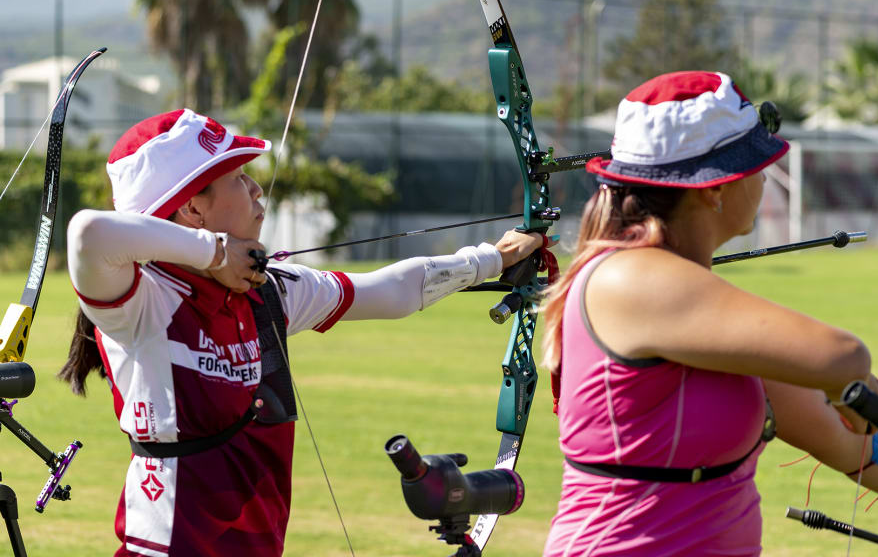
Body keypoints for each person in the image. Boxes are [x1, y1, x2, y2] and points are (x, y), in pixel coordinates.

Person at [540, 71, 878, 557]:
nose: (764, 178)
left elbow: (836, 437)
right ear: (713, 189)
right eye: (755, 165)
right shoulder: (630, 279)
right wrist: (849, 388)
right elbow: (842, 357)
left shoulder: (691, 311)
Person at [58, 108, 542, 557]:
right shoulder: (143, 300)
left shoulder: (263, 288)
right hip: (170, 544)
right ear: (193, 211)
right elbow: (88, 233)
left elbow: (388, 292)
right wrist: (215, 253)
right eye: (237, 178)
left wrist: (491, 259)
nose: (255, 190)